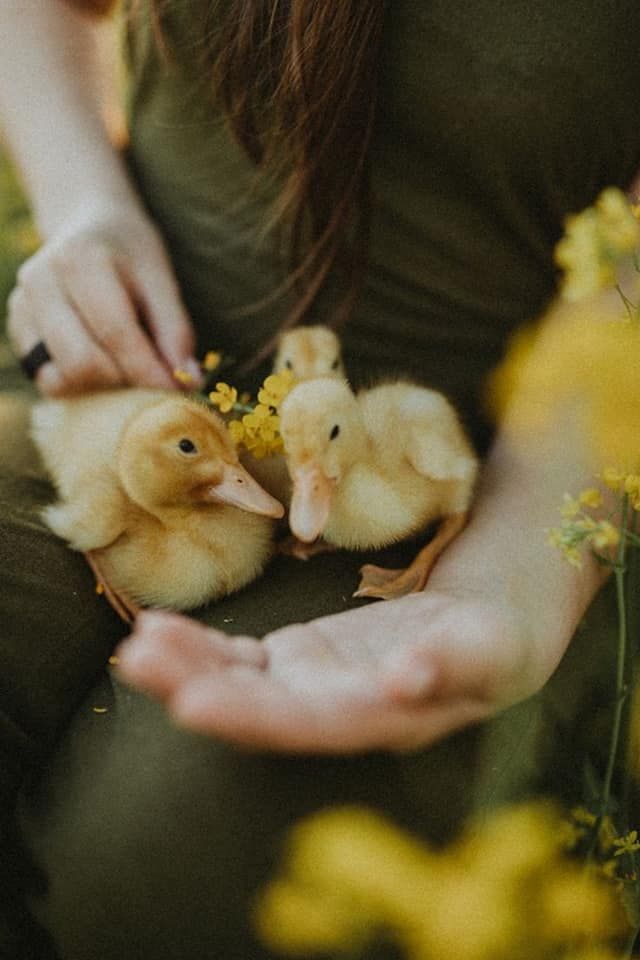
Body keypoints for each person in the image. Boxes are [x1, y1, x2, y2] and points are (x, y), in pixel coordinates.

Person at [0, 1, 638, 957]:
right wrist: (89, 209)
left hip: (520, 471)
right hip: (130, 389)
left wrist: (515, 570)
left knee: (175, 866)